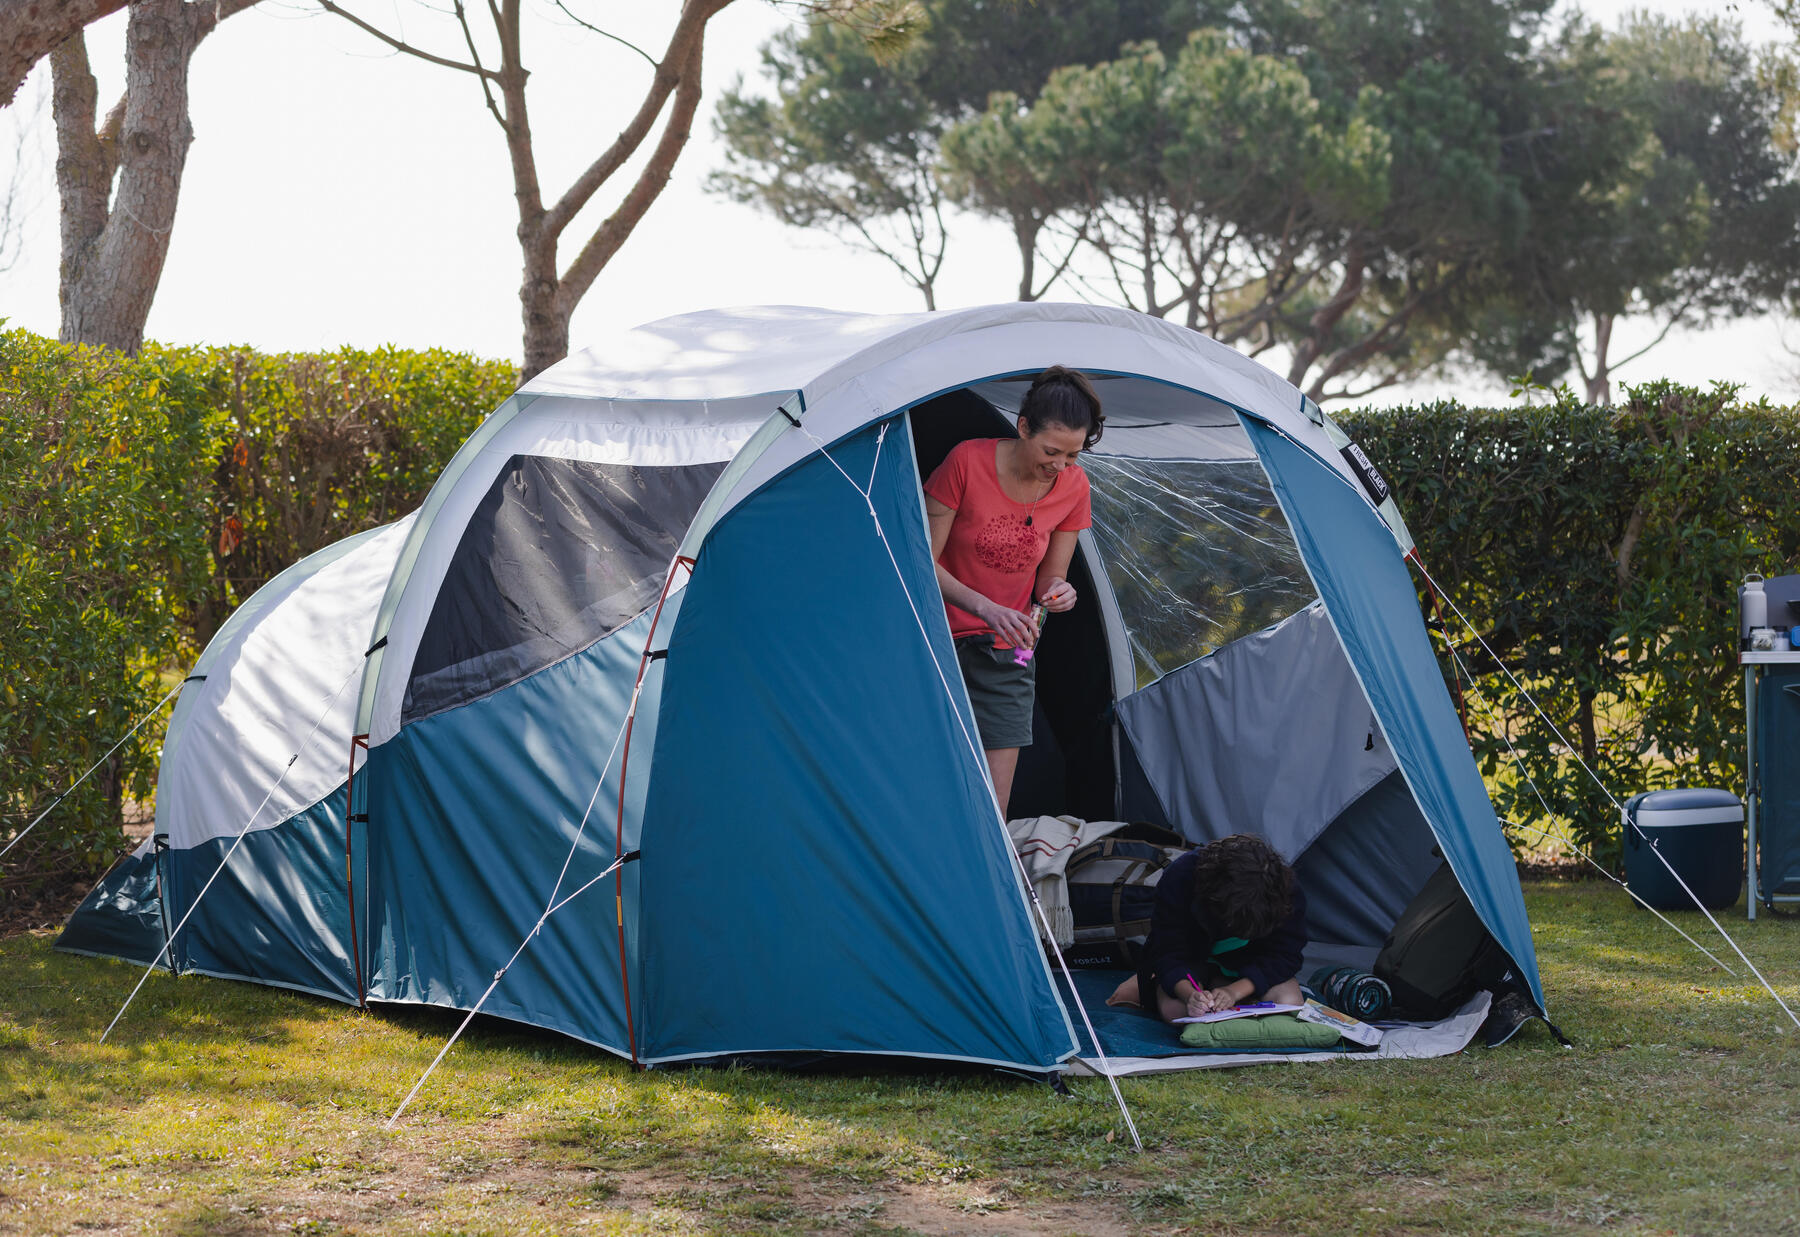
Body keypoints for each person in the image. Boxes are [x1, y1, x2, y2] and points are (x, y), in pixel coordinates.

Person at [923, 366, 1103, 817]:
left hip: (1009, 650)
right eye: (1051, 451)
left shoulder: (1074, 486)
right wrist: (986, 608)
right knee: (929, 776)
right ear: (1024, 428)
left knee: (993, 802)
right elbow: (920, 562)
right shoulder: (966, 462)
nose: (1059, 466)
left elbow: (1050, 578)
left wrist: (1061, 593)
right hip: (935, 638)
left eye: (1073, 455)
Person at [1120, 833, 1308, 1022]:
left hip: (1247, 963)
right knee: (1175, 1012)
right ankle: (1150, 985)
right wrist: (1190, 996)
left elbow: (1285, 954)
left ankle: (1222, 986)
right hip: (1192, 962)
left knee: (1288, 1003)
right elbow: (1167, 949)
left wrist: (1234, 991)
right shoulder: (1181, 877)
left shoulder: (1284, 892)